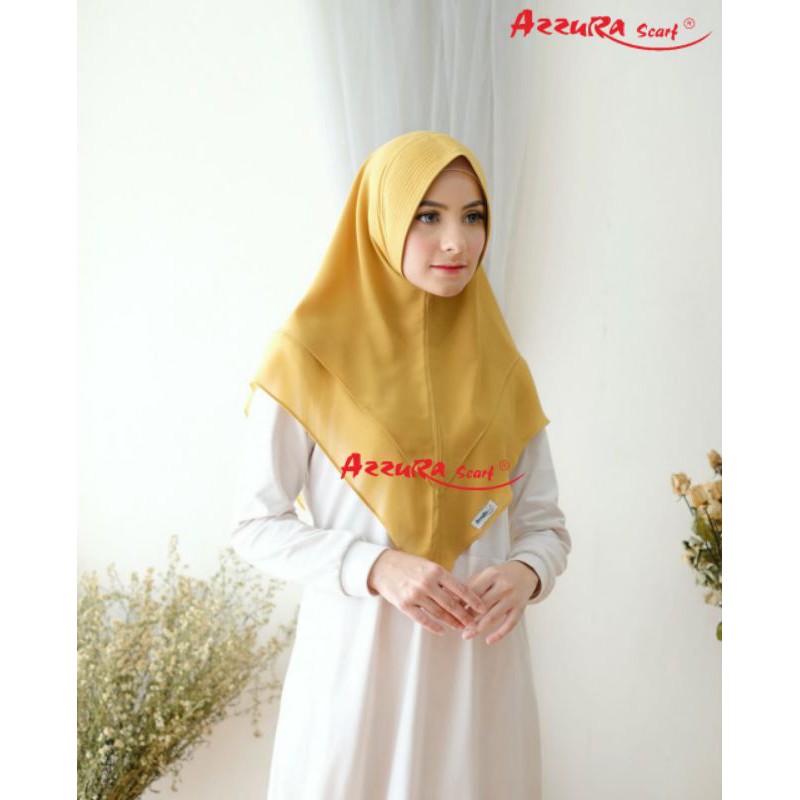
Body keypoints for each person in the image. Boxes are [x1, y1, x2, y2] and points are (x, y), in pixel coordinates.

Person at [229, 130, 572, 799]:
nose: (457, 242)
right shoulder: (307, 359)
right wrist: (376, 566)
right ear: (382, 220)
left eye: (473, 216)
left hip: (479, 688)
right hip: (359, 680)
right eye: (428, 216)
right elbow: (254, 524)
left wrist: (526, 573)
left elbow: (546, 527)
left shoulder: (503, 370)